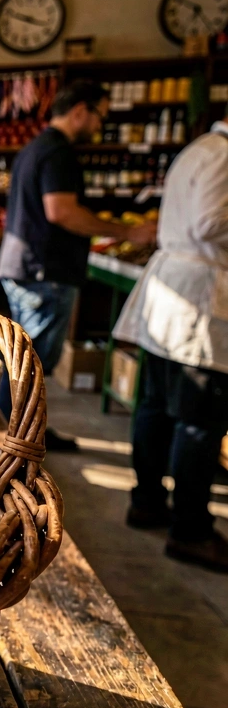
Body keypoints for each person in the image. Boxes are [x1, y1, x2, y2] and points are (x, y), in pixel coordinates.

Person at [0, 80, 156, 448]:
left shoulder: (35, 147)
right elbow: (62, 211)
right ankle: (14, 437)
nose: (100, 125)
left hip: (27, 266)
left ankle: (19, 431)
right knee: (31, 362)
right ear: (80, 109)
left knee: (23, 358)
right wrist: (125, 232)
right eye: (100, 115)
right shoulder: (58, 152)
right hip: (44, 271)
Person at [113, 116, 228, 571]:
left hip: (177, 291)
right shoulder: (223, 154)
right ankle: (190, 531)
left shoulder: (202, 147)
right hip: (198, 296)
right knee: (199, 421)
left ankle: (146, 502)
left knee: (156, 406)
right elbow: (208, 222)